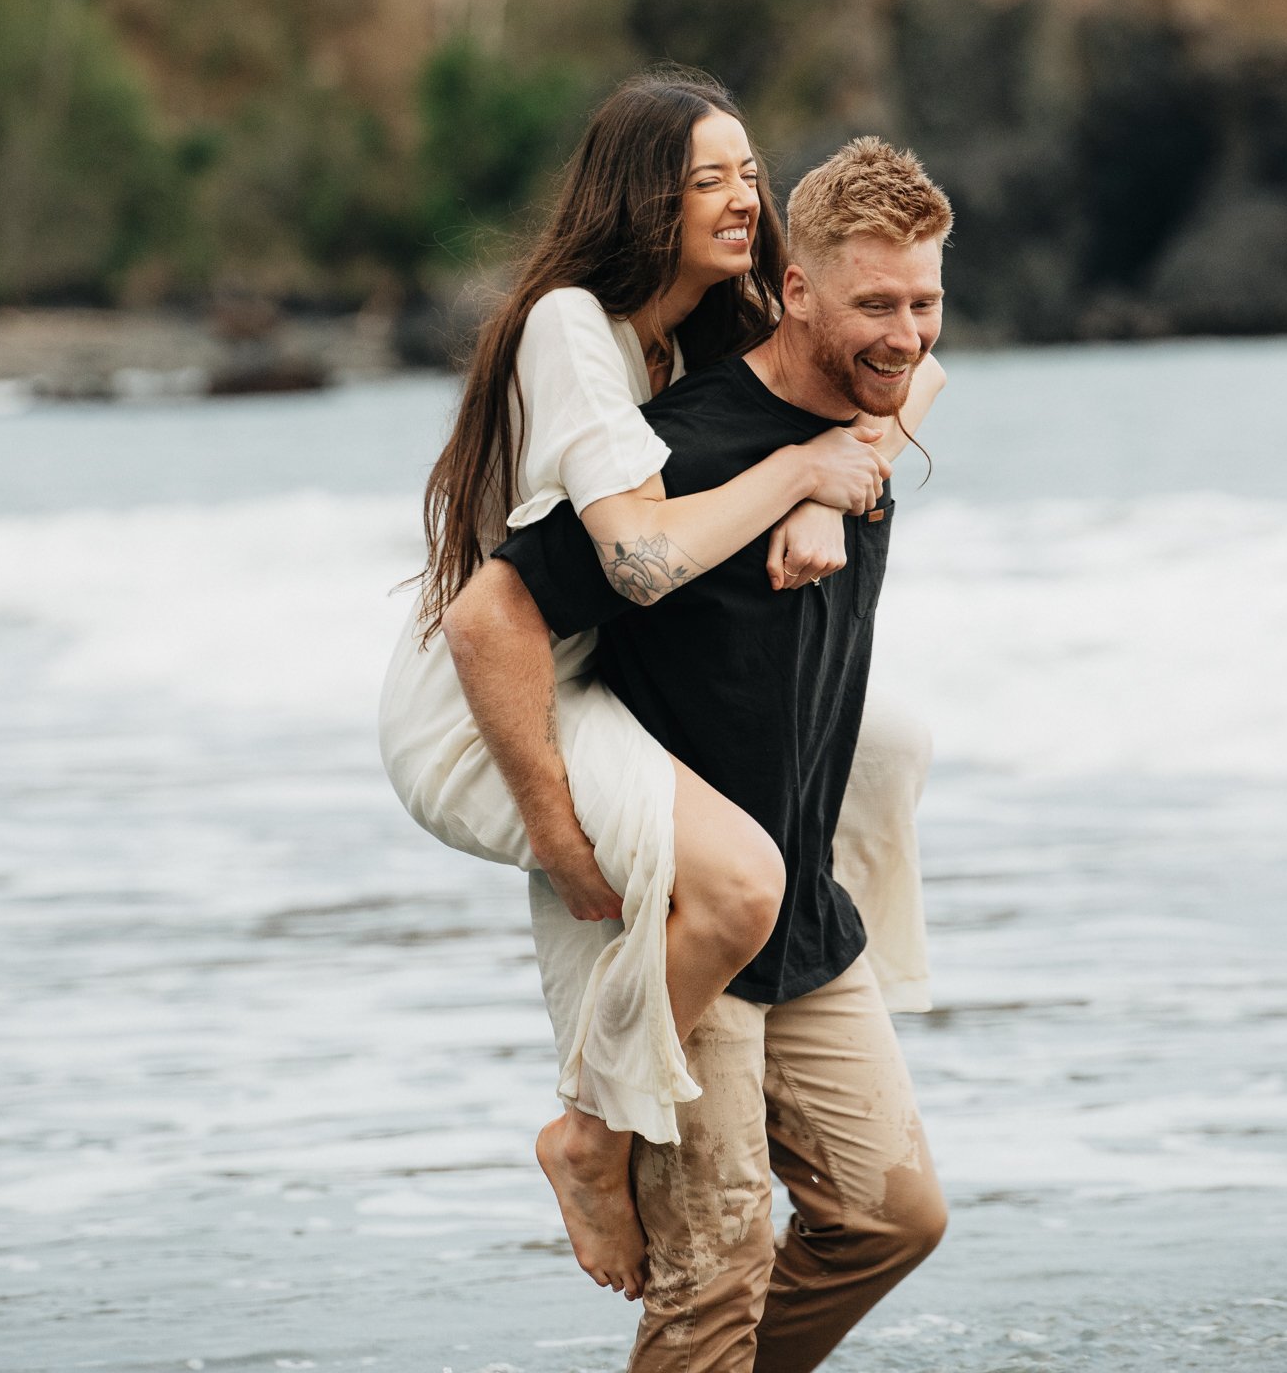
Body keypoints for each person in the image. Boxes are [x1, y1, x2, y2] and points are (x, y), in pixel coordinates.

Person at [377, 72, 943, 1301]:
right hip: (505, 687)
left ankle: (834, 976)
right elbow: (634, 560)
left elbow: (902, 372)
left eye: (749, 172)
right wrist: (798, 475)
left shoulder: (717, 323)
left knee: (891, 737)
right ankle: (590, 1129)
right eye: (707, 179)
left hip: (605, 669)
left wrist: (832, 490)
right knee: (739, 883)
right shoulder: (570, 324)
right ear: (644, 197)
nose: (743, 198)